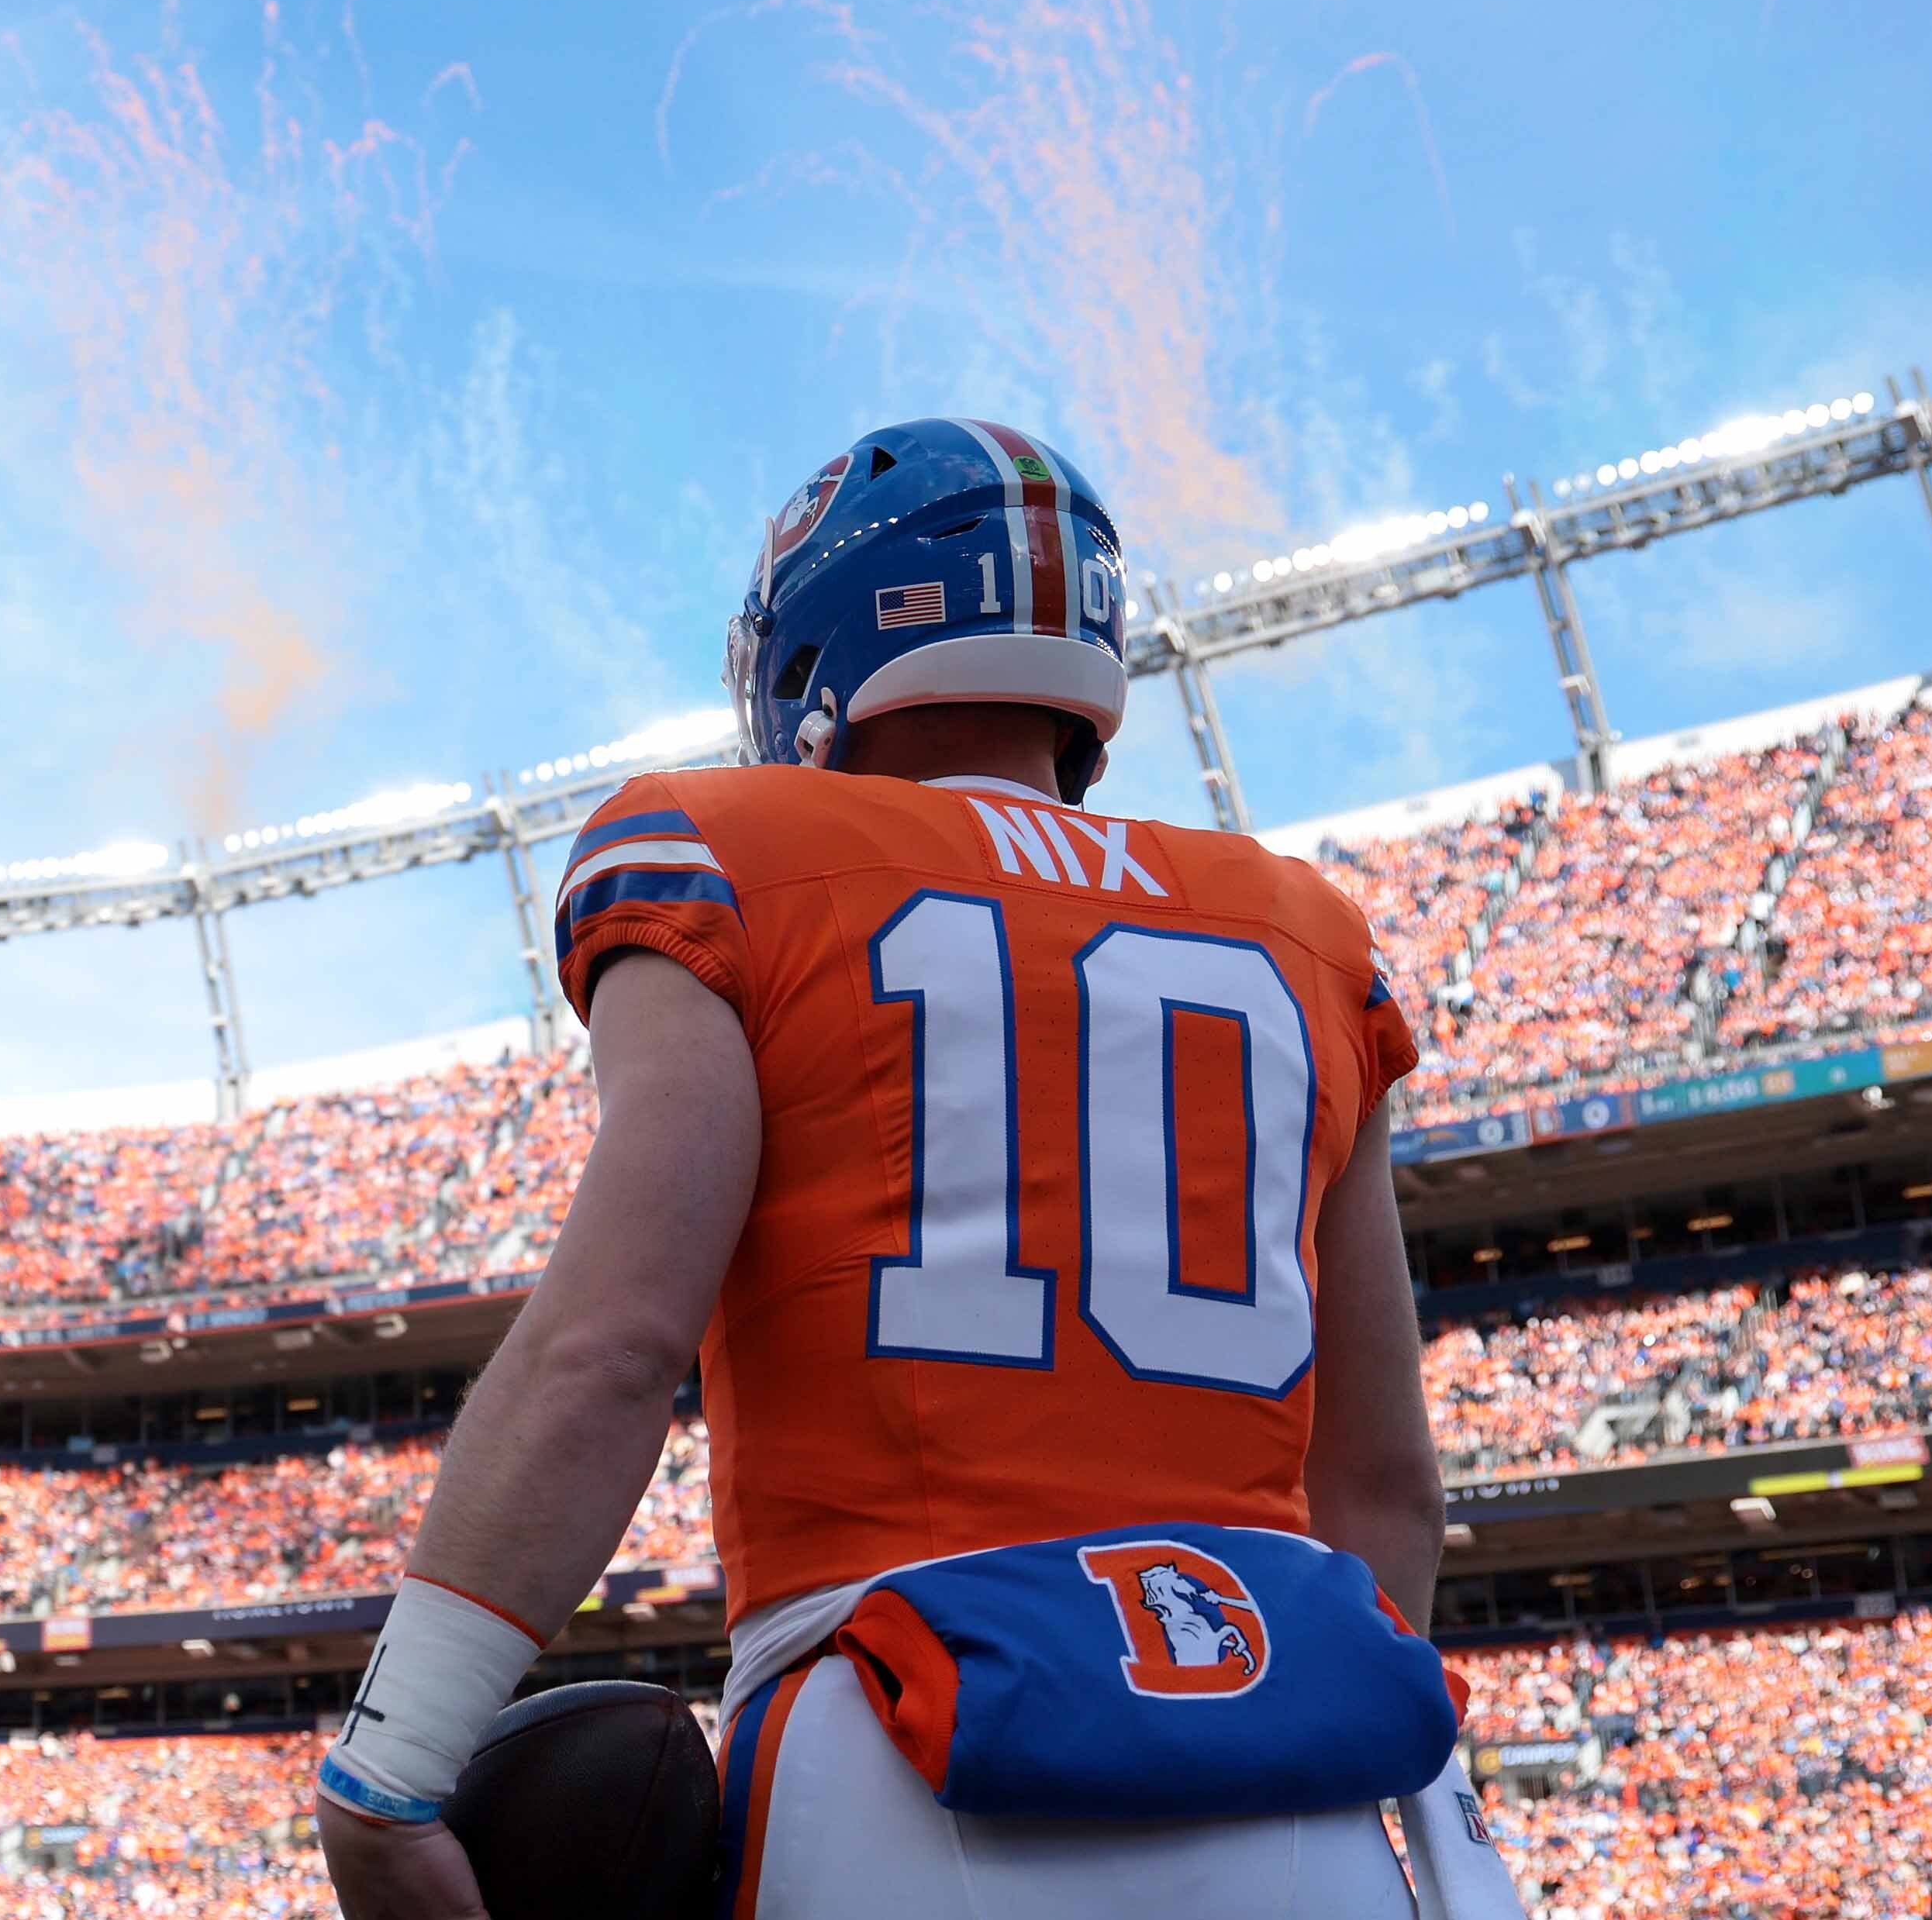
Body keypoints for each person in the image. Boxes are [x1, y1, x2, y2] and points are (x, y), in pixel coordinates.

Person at [315, 419, 1521, 1918]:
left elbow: (610, 1349)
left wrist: (394, 1764)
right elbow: (1383, 1488)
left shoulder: (720, 847)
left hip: (903, 1731)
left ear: (816, 652)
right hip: (1290, 1764)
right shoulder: (1308, 935)